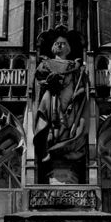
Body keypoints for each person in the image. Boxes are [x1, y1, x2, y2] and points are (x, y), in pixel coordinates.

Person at [33, 33, 87, 165]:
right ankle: (50, 146)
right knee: (52, 117)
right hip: (52, 93)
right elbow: (39, 80)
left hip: (69, 95)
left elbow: (80, 85)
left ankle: (63, 145)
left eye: (63, 43)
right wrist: (49, 80)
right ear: (52, 47)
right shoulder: (46, 64)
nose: (59, 45)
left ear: (68, 48)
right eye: (57, 43)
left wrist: (78, 93)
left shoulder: (73, 65)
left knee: (67, 120)